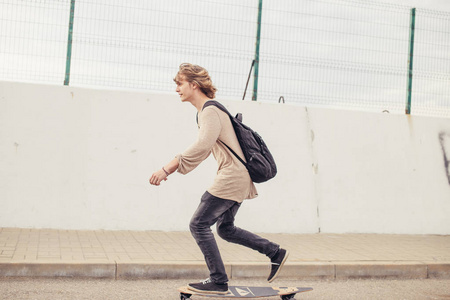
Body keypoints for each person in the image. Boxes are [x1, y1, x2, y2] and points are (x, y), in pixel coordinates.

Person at [149, 63, 288, 294]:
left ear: (194, 85)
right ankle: (274, 252)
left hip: (232, 177)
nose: (176, 89)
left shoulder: (210, 110)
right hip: (237, 176)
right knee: (225, 228)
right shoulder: (205, 112)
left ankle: (218, 280)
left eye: (179, 83)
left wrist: (167, 168)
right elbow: (206, 149)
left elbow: (202, 146)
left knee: (198, 224)